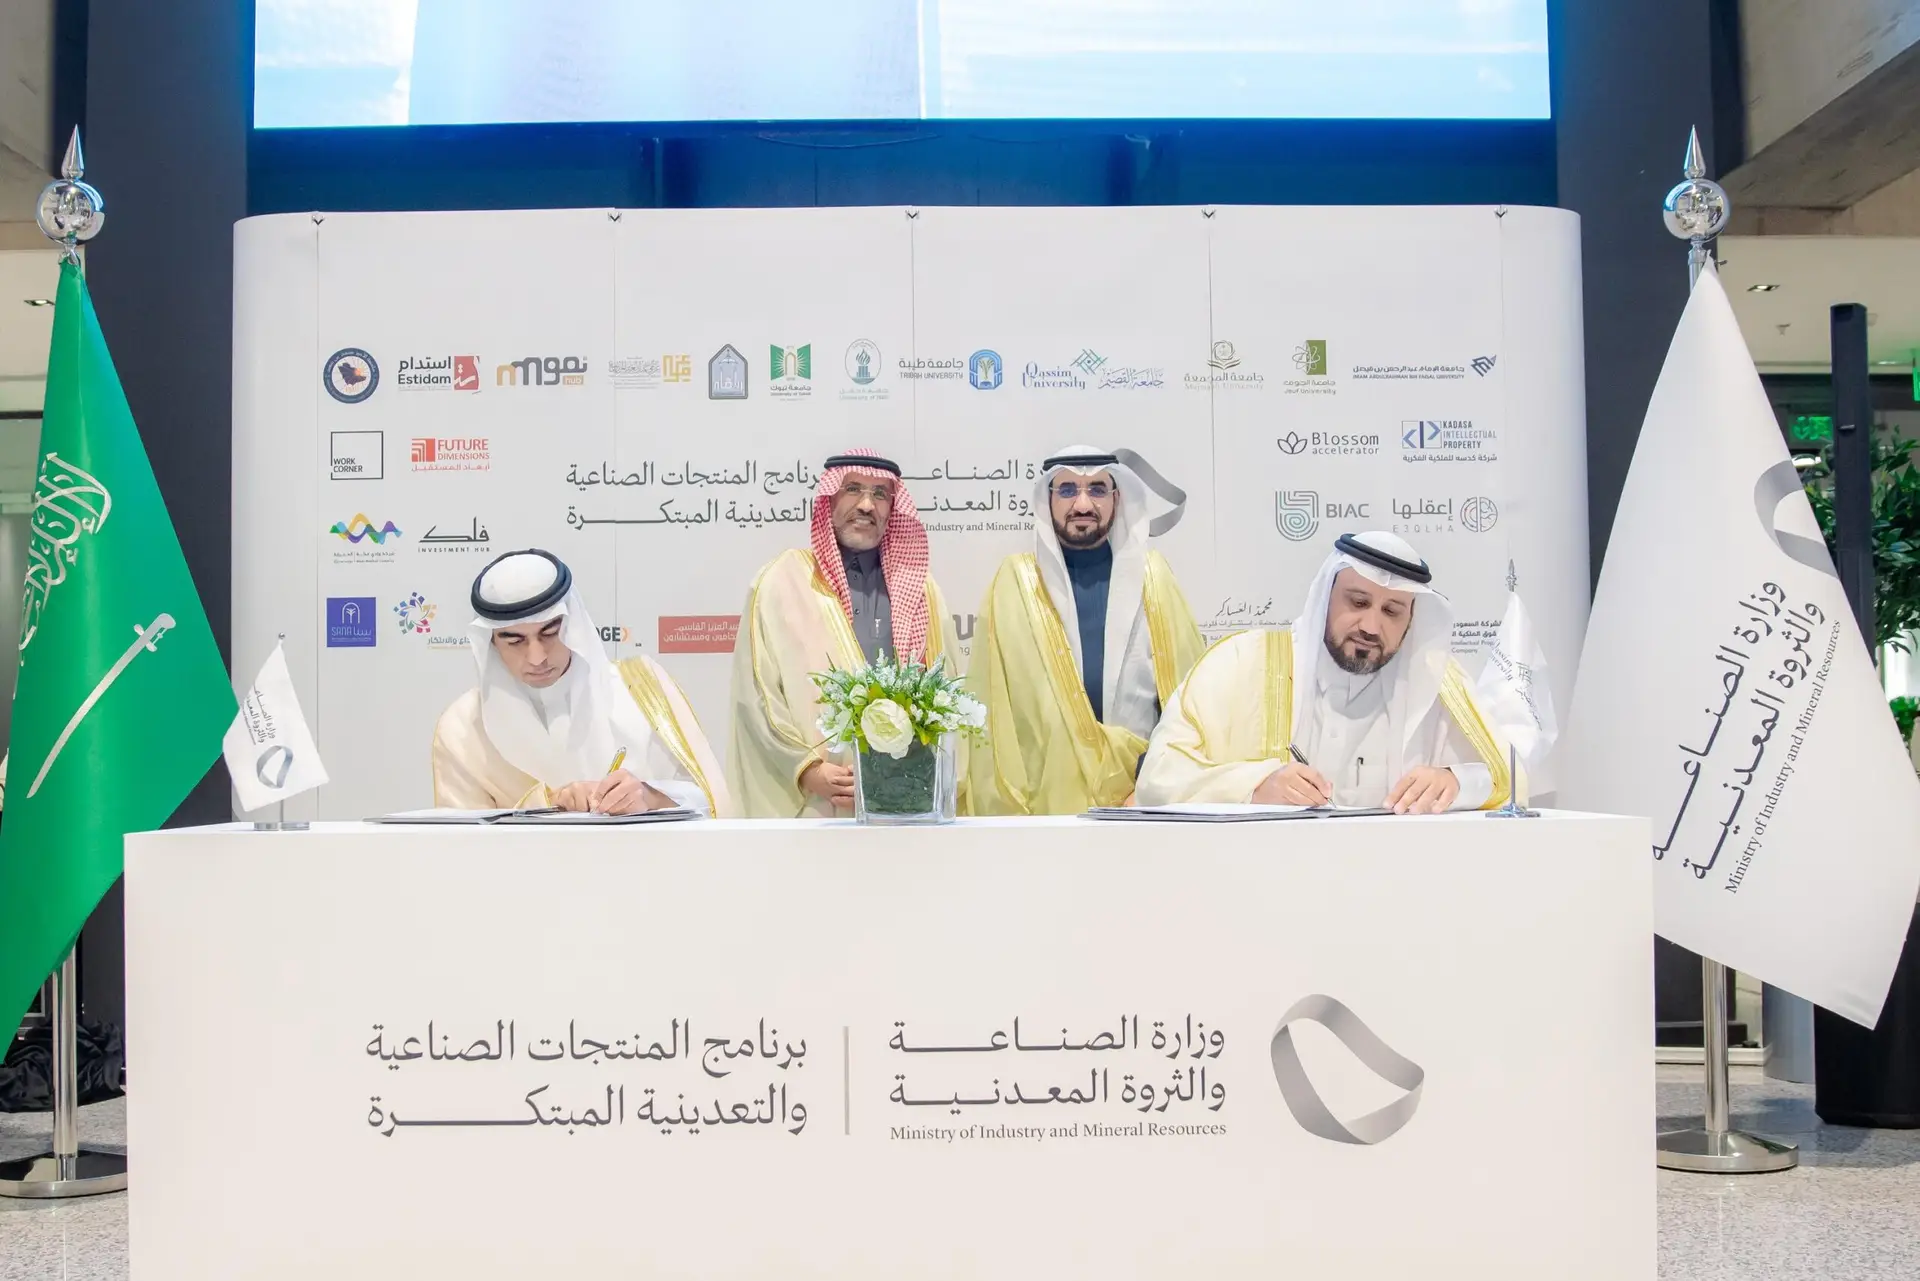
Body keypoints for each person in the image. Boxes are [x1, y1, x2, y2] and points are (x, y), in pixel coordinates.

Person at [1137, 531, 1513, 812]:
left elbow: (1507, 779)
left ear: (1412, 620)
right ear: (1325, 598)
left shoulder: (1439, 687)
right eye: (1358, 602)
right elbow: (1157, 779)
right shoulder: (1238, 665)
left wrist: (1456, 782)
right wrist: (1253, 786)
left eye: (1392, 611)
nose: (1370, 626)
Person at [968, 447, 1205, 814]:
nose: (1081, 504)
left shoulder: (1153, 578)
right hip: (1044, 807)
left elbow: (1188, 698)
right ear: (1048, 500)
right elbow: (993, 706)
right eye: (1066, 490)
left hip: (1141, 796)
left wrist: (1154, 781)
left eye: (1096, 489)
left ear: (1117, 498)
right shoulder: (1015, 580)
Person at [727, 450, 959, 817]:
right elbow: (757, 696)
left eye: (880, 494)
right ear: (830, 497)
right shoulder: (782, 581)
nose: (867, 504)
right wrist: (809, 770)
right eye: (853, 489)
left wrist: (910, 780)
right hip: (817, 808)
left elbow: (946, 697)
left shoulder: (922, 591)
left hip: (904, 808)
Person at [432, 549, 728, 816]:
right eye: (515, 641)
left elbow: (712, 801)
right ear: (491, 643)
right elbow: (462, 851)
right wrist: (549, 803)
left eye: (550, 633)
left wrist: (651, 797)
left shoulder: (642, 688)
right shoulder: (463, 729)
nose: (537, 657)